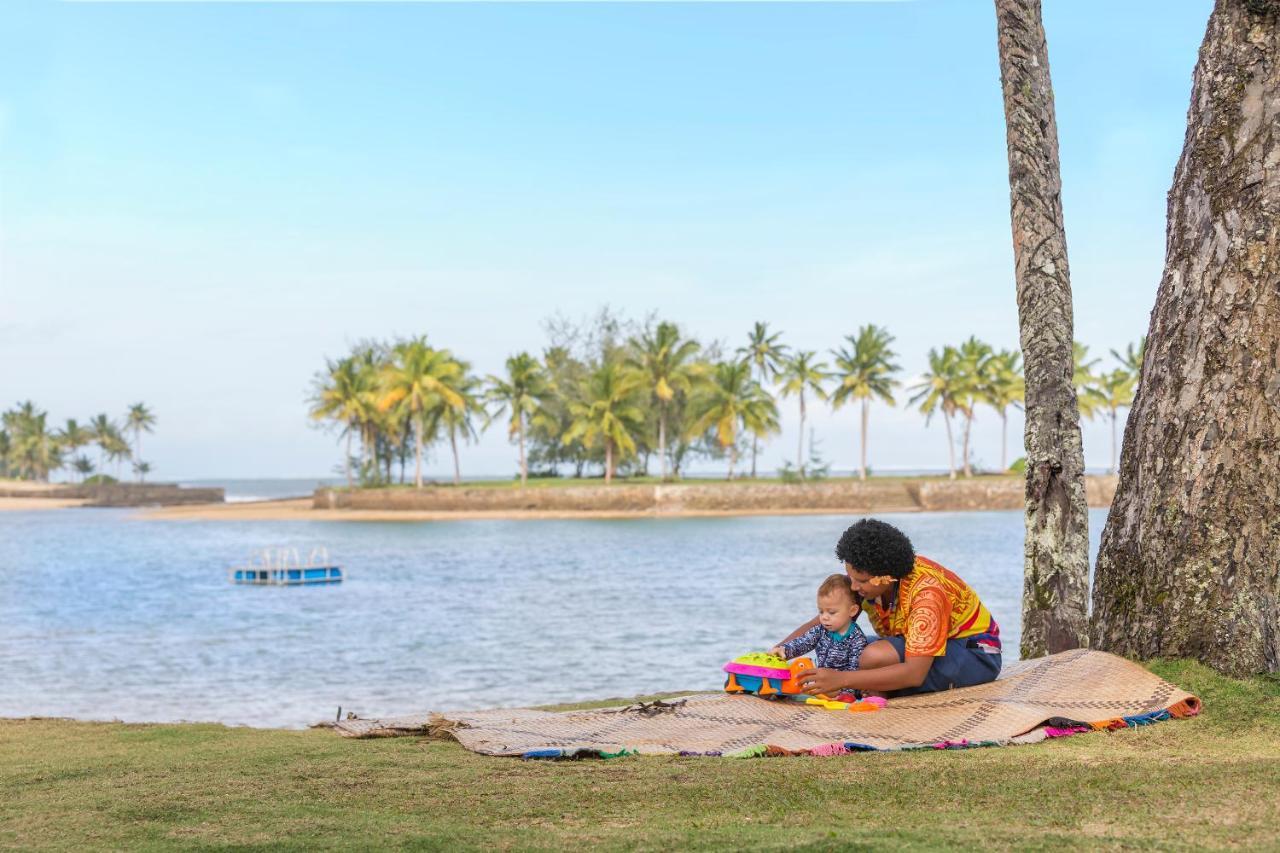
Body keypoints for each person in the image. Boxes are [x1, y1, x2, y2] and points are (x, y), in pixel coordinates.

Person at [778, 518, 1001, 698]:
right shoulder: (868, 582)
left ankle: (872, 694)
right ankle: (871, 690)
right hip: (921, 645)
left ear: (888, 577)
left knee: (872, 657)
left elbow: (914, 673)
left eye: (861, 581)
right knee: (847, 648)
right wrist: (776, 655)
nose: (853, 586)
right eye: (851, 577)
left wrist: (841, 678)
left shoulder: (927, 593)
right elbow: (825, 623)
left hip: (974, 652)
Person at [768, 574, 868, 682]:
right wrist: (784, 650)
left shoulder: (857, 639)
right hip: (822, 683)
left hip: (843, 686)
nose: (824, 617)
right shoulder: (820, 630)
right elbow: (802, 643)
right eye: (821, 611)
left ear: (852, 611)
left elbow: (854, 670)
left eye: (832, 612)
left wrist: (846, 692)